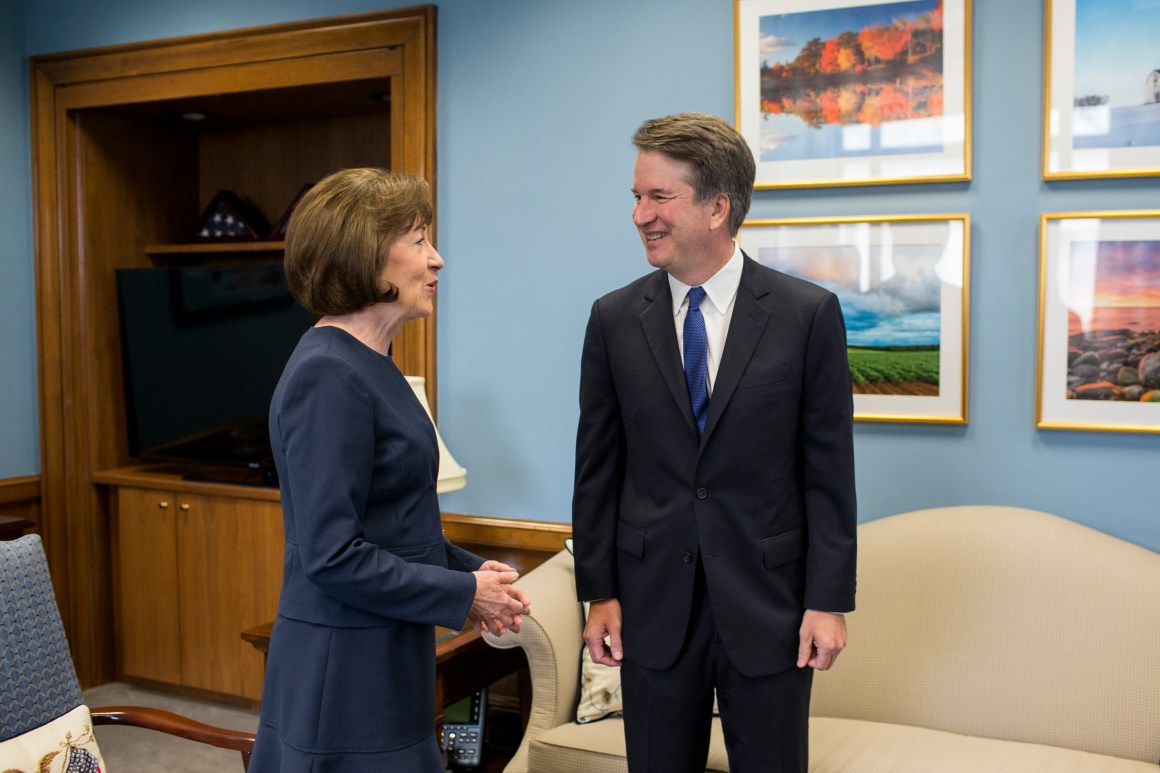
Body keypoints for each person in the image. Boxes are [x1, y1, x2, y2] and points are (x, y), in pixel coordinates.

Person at [572, 113, 857, 773]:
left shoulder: (807, 315)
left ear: (717, 207)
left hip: (771, 608)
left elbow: (828, 471)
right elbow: (598, 469)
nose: (641, 213)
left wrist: (827, 600)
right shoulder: (613, 319)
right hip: (651, 606)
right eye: (636, 197)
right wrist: (600, 592)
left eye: (658, 197)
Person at [250, 167, 530, 772]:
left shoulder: (370, 363)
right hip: (344, 668)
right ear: (366, 257)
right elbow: (332, 554)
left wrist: (471, 573)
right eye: (418, 239)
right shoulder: (328, 374)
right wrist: (462, 593)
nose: (438, 260)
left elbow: (394, 524)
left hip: (384, 649)